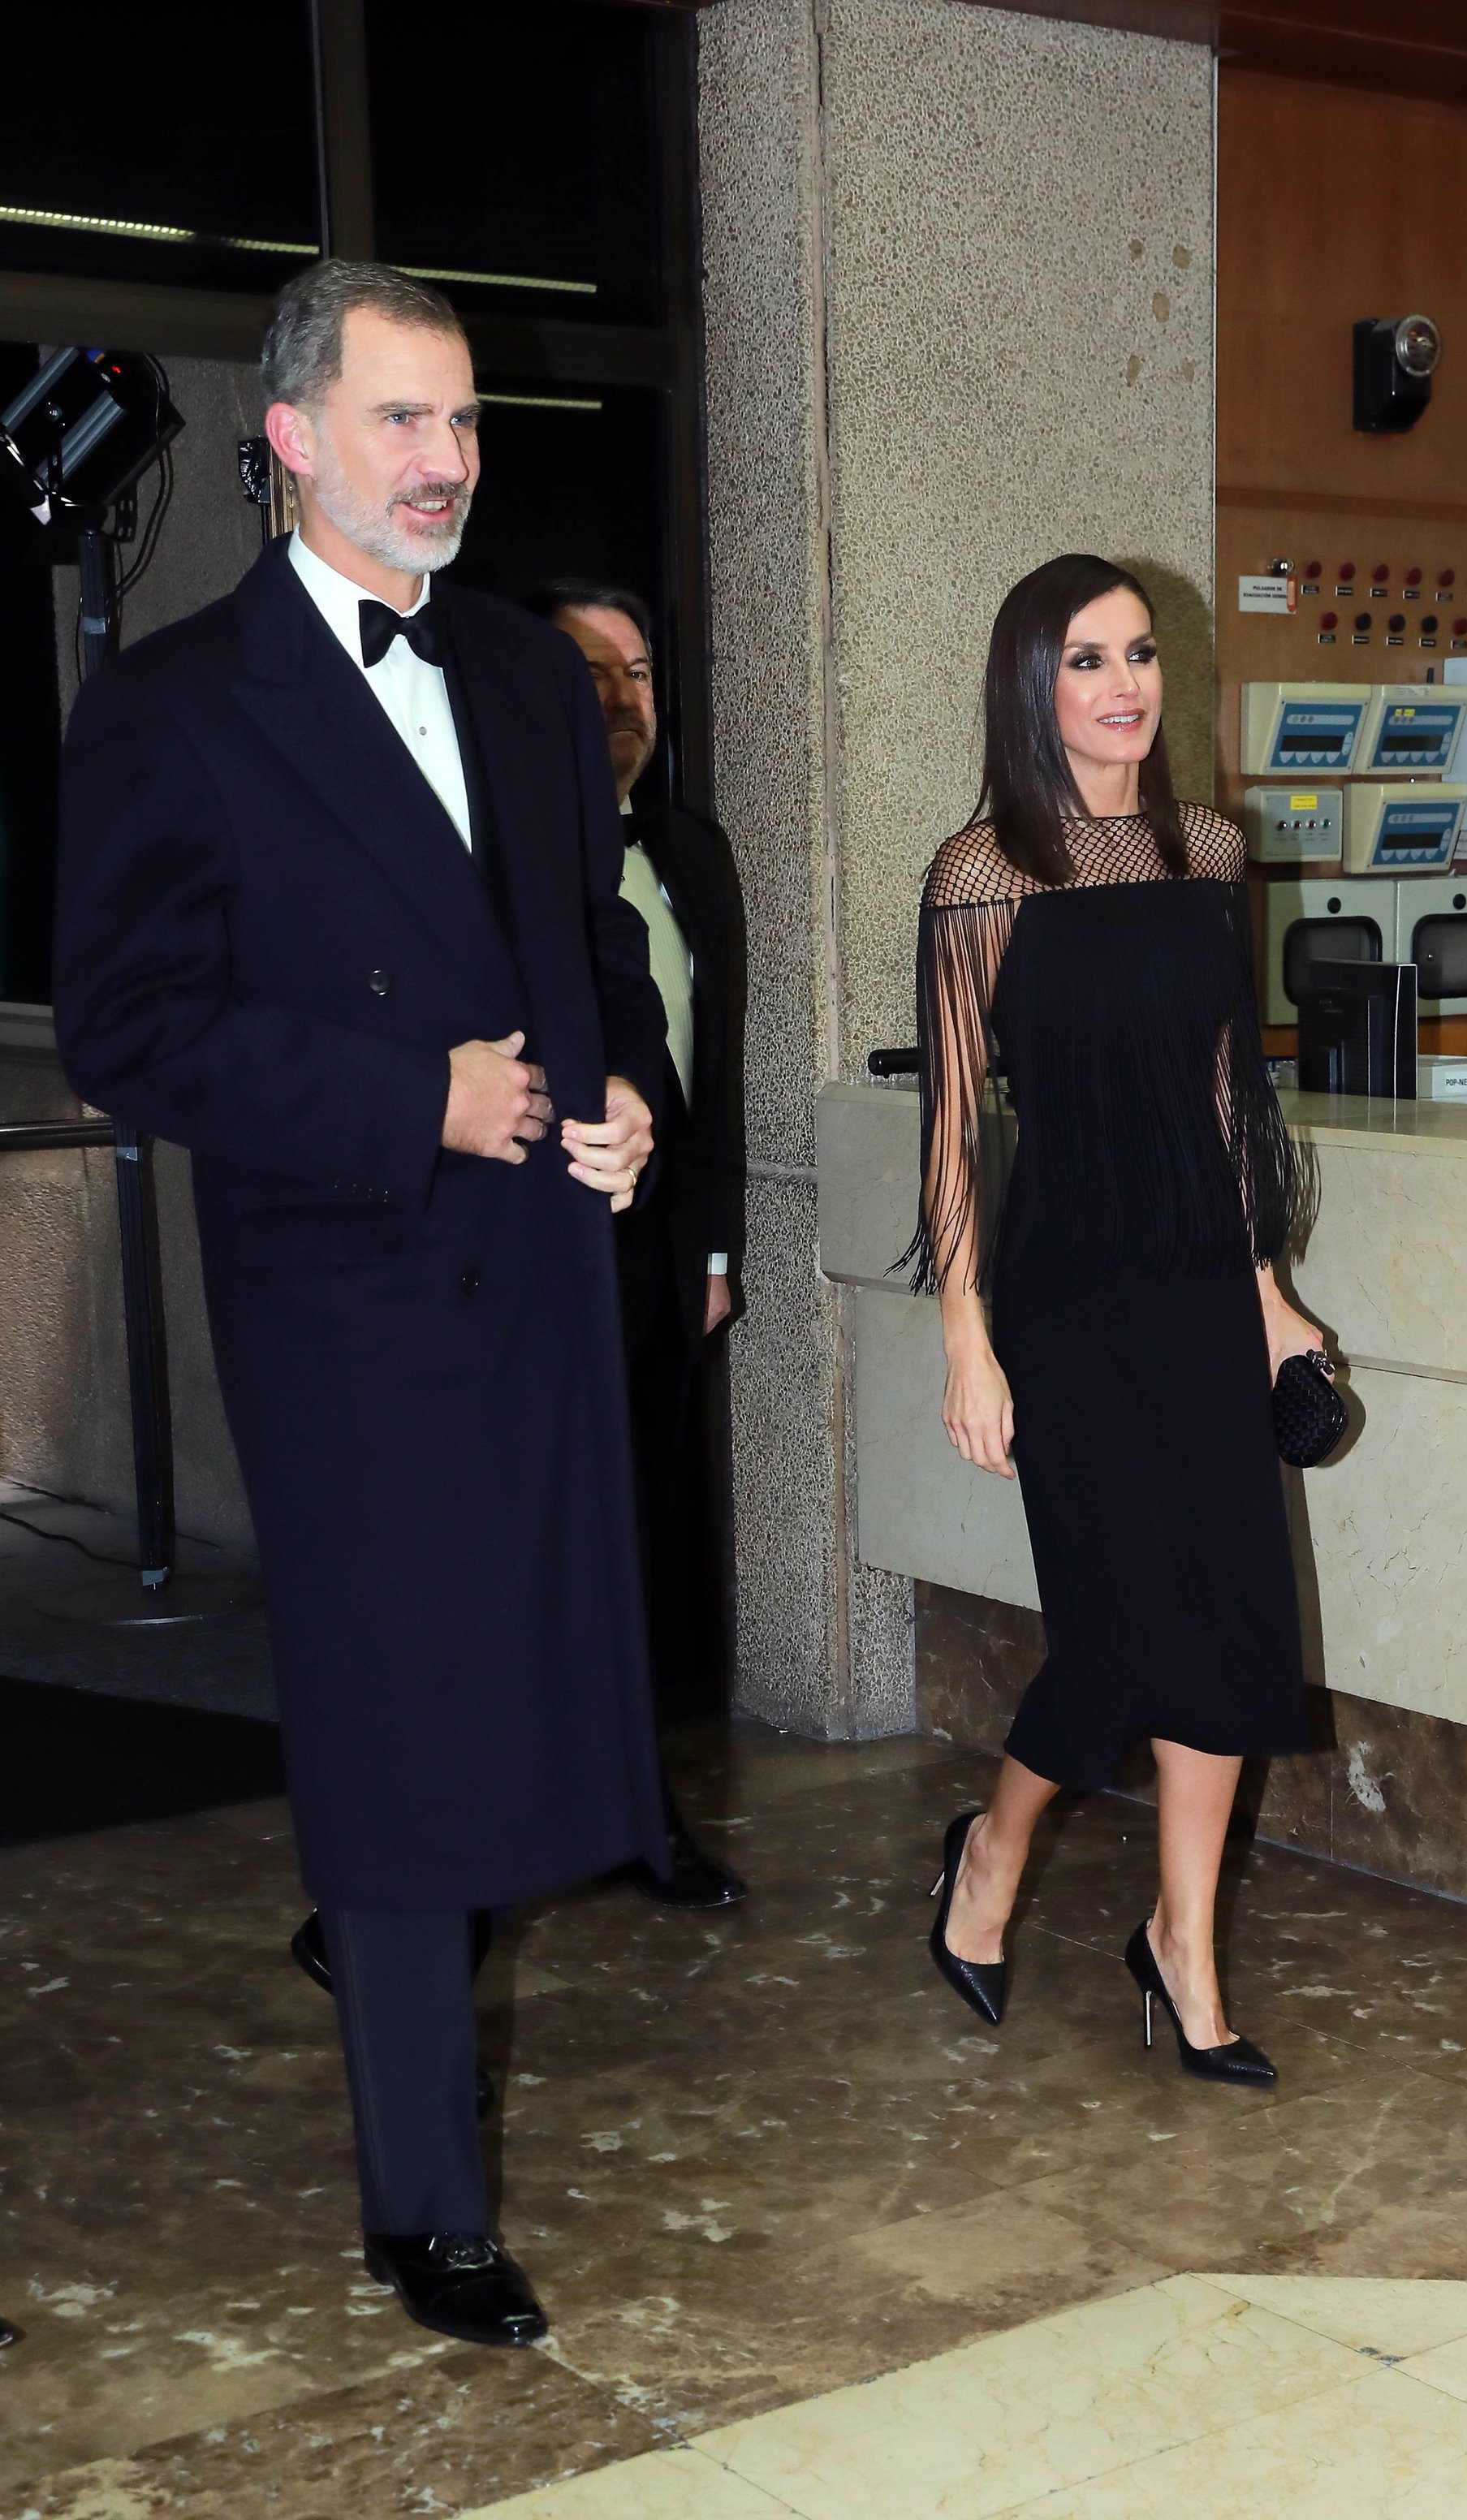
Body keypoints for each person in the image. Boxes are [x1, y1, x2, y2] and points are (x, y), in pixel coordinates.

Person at [52, 261, 668, 2348]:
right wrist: (416, 1097)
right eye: (406, 422)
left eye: (468, 422)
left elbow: (602, 941)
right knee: (403, 1745)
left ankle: (383, 1927)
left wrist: (631, 1101)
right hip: (352, 1303)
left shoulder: (520, 674)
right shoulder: (173, 703)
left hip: (539, 1290)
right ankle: (430, 2204)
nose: (449, 463)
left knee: (517, 1710)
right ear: (293, 436)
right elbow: (134, 1031)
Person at [913, 554, 1327, 2080]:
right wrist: (965, 1330)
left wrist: (1270, 1290)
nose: (1125, 685)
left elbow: (1231, 1099)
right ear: (1035, 687)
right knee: (1105, 1639)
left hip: (1199, 1292)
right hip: (1068, 1294)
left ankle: (1186, 1955)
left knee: (1224, 1622)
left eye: (1140, 654)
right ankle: (991, 1859)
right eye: (1087, 660)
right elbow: (955, 1127)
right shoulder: (985, 872)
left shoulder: (1210, 848)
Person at [533, 580, 748, 1910]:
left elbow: (711, 1076)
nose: (622, 699)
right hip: (538, 1263)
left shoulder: (690, 851)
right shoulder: (502, 848)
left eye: (641, 672)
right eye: (591, 672)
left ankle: (636, 1819)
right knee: (535, 1551)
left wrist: (718, 1254)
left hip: (664, 1262)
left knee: (641, 1549)